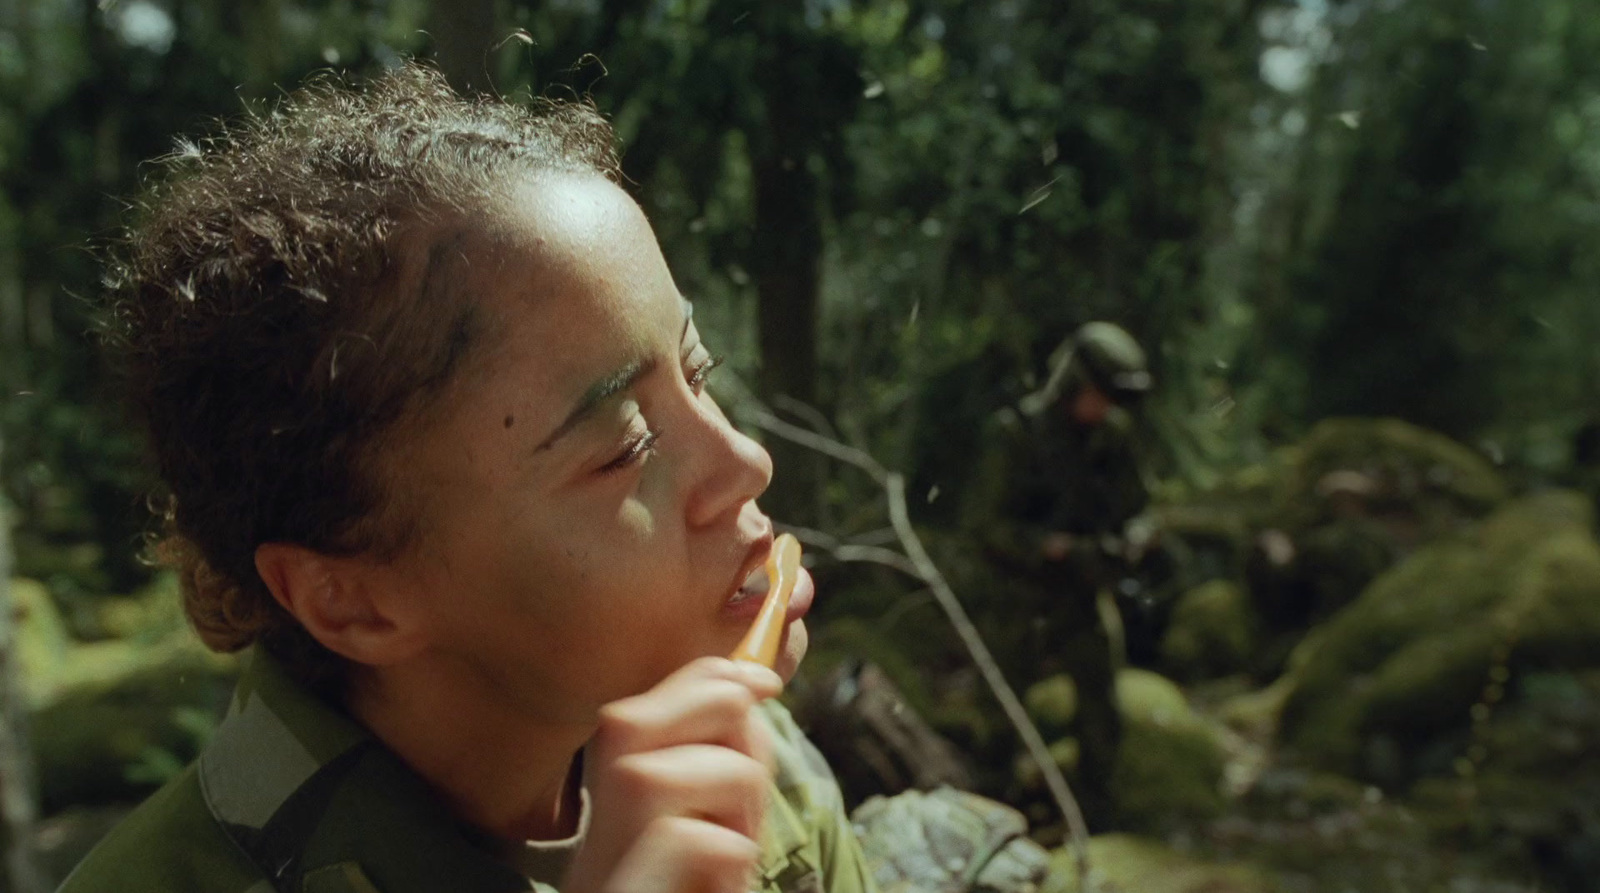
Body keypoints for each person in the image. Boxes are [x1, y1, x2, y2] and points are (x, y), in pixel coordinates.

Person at [60, 65, 874, 893]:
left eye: (699, 372)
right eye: (623, 447)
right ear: (353, 598)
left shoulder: (745, 776)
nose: (745, 462)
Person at [973, 321, 1152, 830]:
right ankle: (994, 815)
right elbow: (983, 526)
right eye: (1098, 395)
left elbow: (1141, 505)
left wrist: (1134, 538)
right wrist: (1045, 546)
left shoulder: (1112, 438)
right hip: (1020, 592)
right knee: (1000, 713)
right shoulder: (1015, 435)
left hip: (1083, 590)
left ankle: (1096, 815)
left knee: (1102, 708)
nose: (1104, 409)